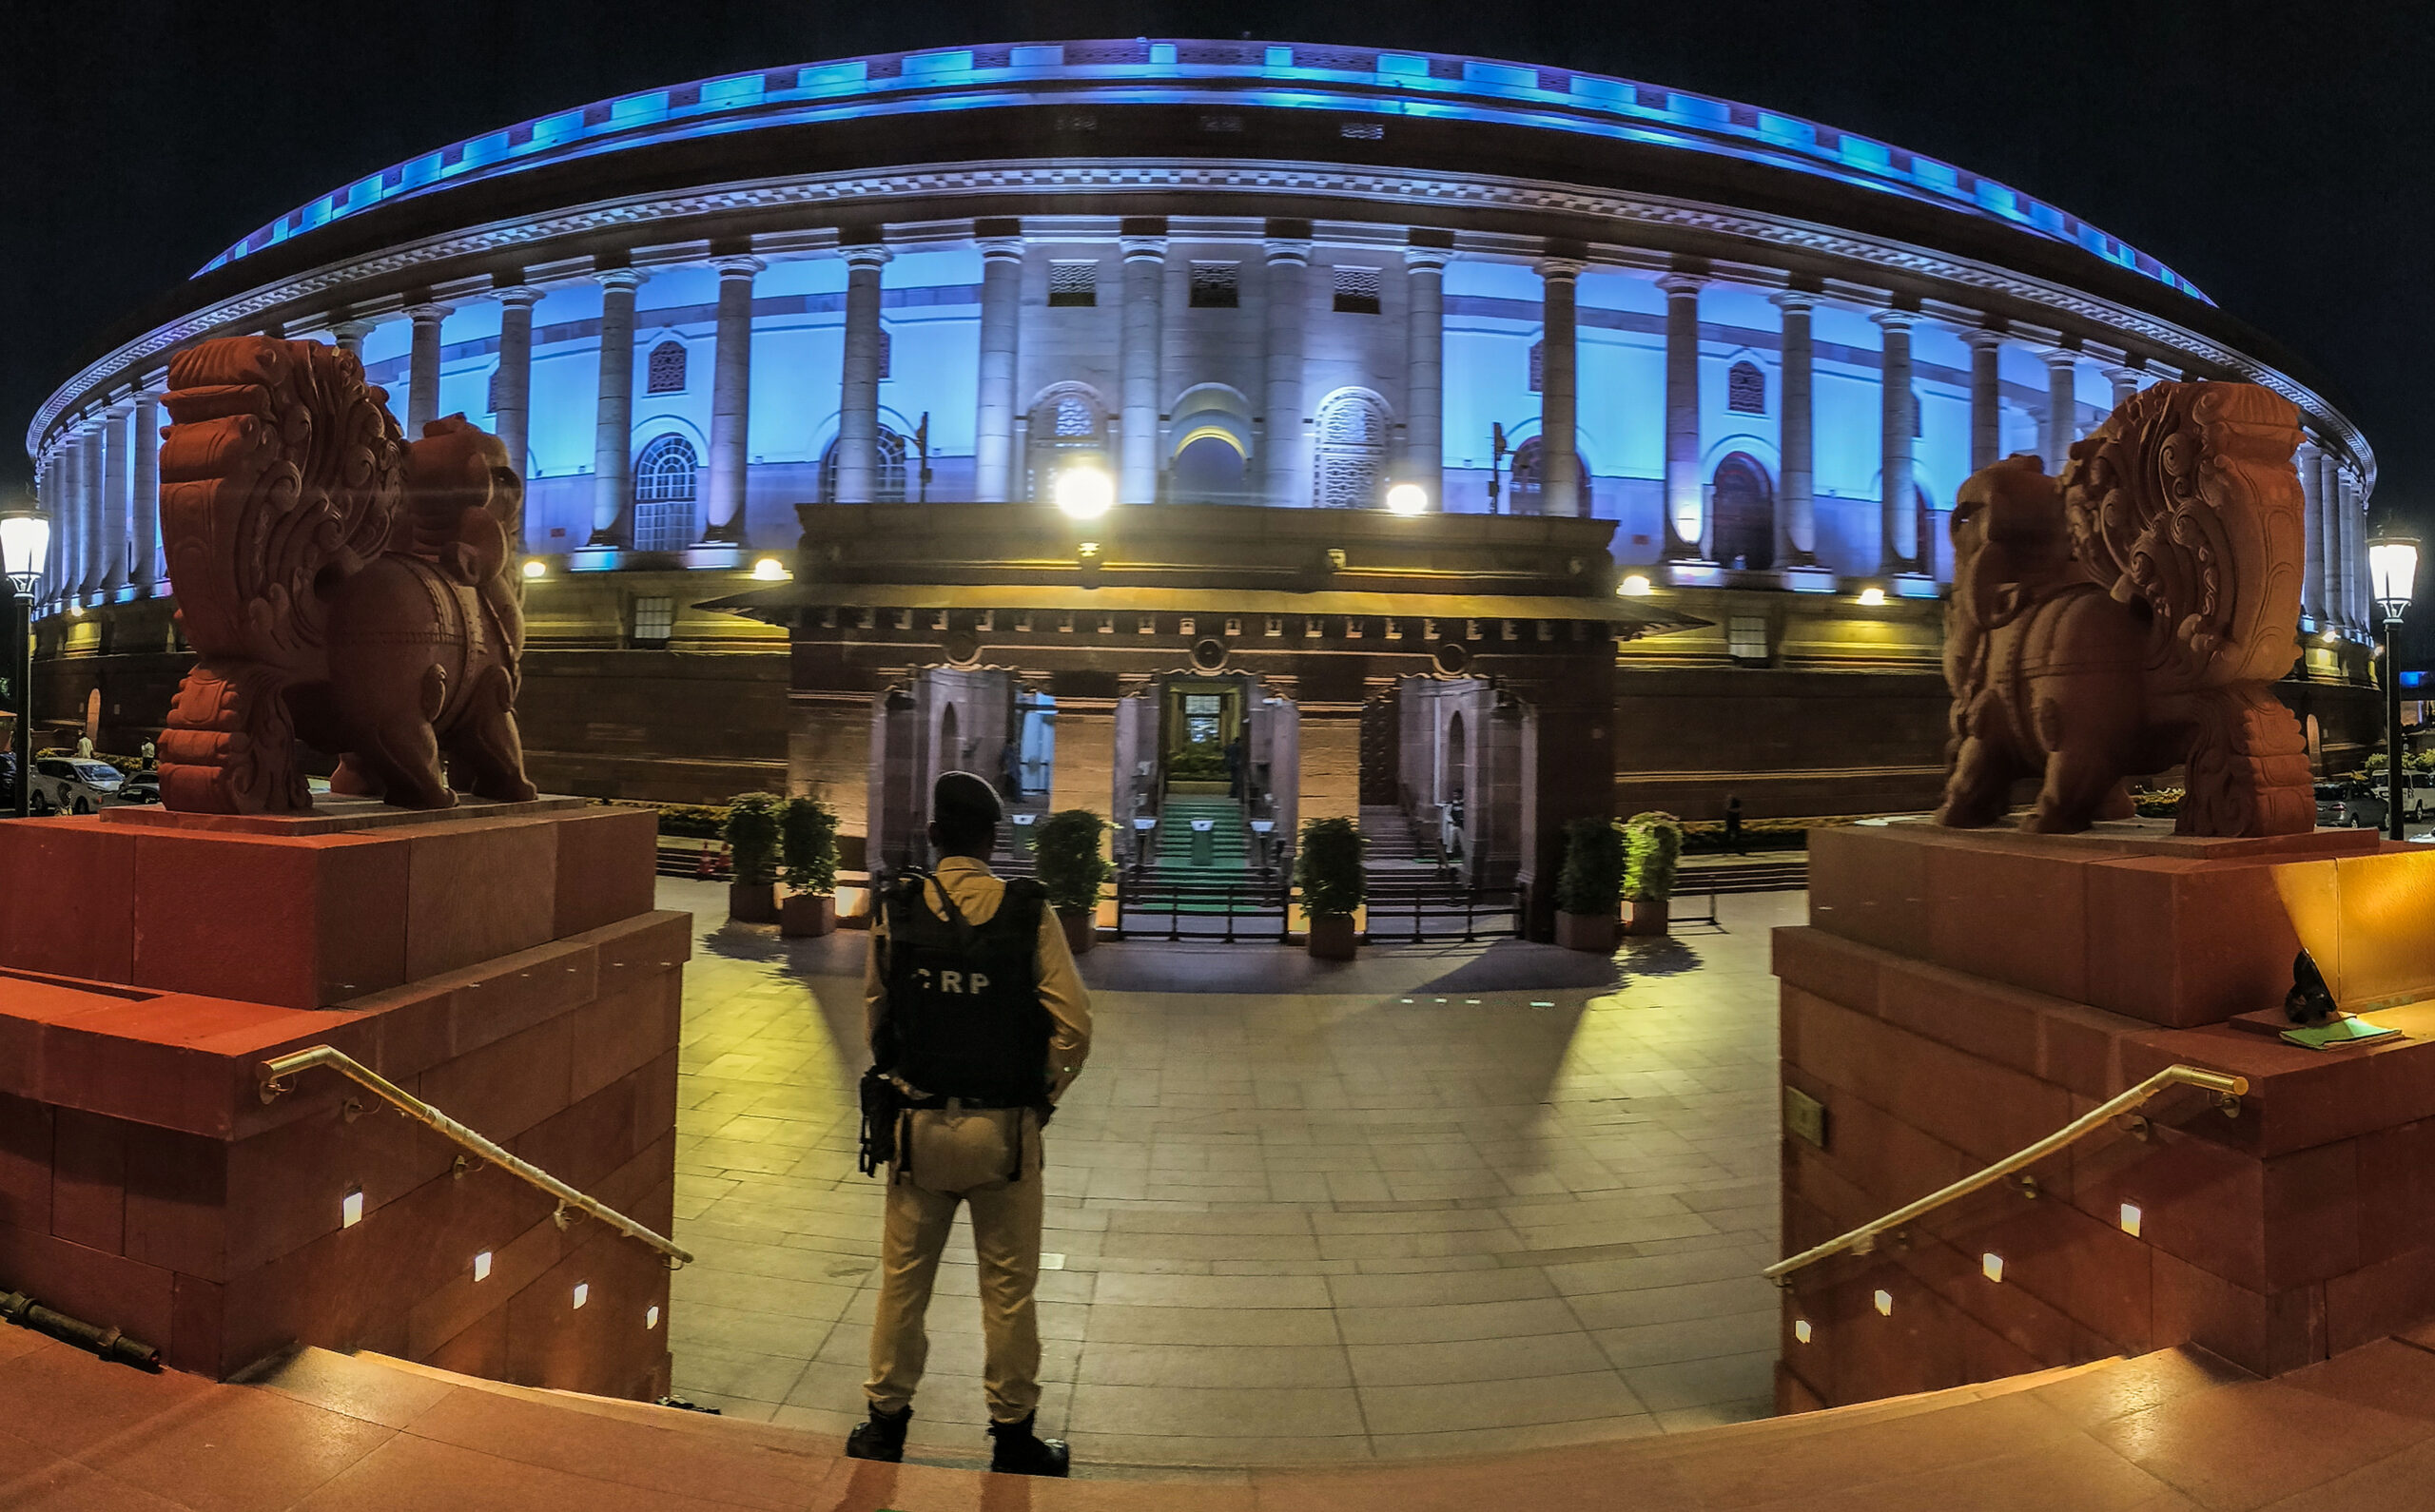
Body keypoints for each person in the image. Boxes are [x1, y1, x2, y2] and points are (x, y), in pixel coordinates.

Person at [847, 771, 1092, 1476]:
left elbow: (876, 1014)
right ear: (993, 838)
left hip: (918, 1129)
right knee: (1009, 1289)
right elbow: (1074, 1027)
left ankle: (883, 1427)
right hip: (1004, 1131)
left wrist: (910, 1076)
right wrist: (1043, 1097)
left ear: (932, 835)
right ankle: (1013, 1437)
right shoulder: (1027, 911)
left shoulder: (896, 908)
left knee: (903, 1280)